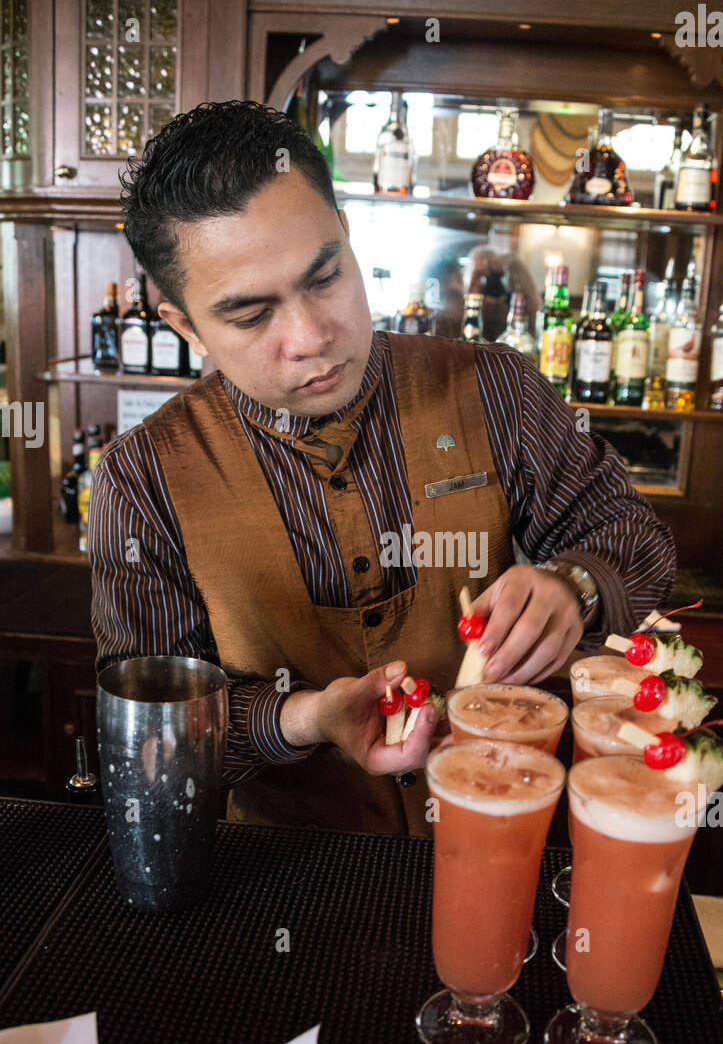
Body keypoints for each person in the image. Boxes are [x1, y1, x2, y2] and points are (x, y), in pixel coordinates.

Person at [89, 100, 676, 836]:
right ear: (183, 323)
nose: (310, 337)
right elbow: (154, 736)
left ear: (348, 240)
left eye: (325, 277)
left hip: (504, 825)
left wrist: (575, 585)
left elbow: (637, 540)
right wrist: (304, 717)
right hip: (288, 871)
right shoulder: (142, 478)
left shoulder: (494, 388)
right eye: (249, 315)